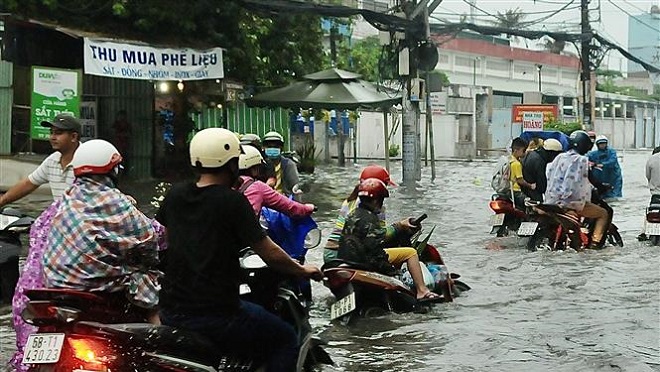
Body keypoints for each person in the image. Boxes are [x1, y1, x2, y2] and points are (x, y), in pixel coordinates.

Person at [155, 128, 323, 371]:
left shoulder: (176, 195)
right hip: (217, 314)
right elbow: (269, 252)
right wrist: (302, 270)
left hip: (171, 311)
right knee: (285, 339)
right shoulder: (232, 202)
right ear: (231, 164)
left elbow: (165, 241)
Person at [43, 139, 162, 322]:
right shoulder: (116, 201)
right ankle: (157, 342)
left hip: (56, 286)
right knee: (153, 285)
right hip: (96, 288)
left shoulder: (66, 200)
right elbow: (148, 240)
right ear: (113, 170)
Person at [337, 178, 439, 301]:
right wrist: (387, 268)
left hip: (349, 259)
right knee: (411, 253)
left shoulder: (353, 214)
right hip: (366, 260)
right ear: (376, 200)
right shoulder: (370, 218)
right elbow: (375, 246)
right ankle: (422, 291)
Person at [545, 130, 609, 250]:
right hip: (571, 203)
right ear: (583, 145)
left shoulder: (559, 157)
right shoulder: (581, 160)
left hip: (551, 201)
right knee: (603, 214)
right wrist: (603, 187)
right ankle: (595, 244)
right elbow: (591, 179)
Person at [0, 113, 81, 207]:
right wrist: (3, 200)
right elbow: (29, 183)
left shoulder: (88, 160)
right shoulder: (52, 160)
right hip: (61, 218)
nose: (52, 137)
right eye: (51, 132)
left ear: (73, 137)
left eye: (58, 133)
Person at [323, 164, 397, 263]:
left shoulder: (349, 201)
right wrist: (399, 227)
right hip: (344, 253)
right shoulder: (370, 207)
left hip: (330, 251)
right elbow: (379, 235)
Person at [237, 145, 314, 217]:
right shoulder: (258, 187)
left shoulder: (228, 183)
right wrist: (308, 208)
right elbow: (290, 207)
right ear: (255, 168)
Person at [262, 131, 299, 196]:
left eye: (275, 146)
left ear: (281, 148)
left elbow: (295, 185)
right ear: (264, 148)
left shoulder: (288, 164)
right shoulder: (260, 164)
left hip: (284, 199)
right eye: (269, 147)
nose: (272, 149)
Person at [639, 146, 660, 240]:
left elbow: (648, 176)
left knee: (649, 214)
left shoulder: (651, 159)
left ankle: (643, 233)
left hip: (656, 196)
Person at [509, 137, 536, 210]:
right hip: (516, 192)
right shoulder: (516, 164)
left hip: (508, 191)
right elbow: (520, 180)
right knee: (531, 205)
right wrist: (530, 186)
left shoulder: (509, 159)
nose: (524, 152)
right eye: (523, 150)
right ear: (516, 150)